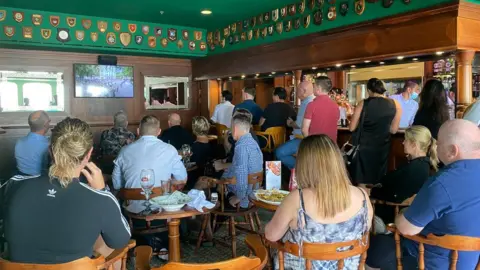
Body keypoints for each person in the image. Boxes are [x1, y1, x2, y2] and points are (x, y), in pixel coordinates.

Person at [4, 117, 131, 264]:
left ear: (51, 150)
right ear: (89, 154)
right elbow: (120, 241)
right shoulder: (102, 200)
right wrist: (102, 191)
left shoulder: (13, 186)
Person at [367, 119, 480, 270]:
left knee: (374, 248)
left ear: (453, 151)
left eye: (439, 143)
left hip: (432, 262)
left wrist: (407, 209)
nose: (436, 146)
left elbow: (406, 228)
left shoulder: (443, 183)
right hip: (472, 263)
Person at [265, 135, 373, 269]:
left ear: (304, 164)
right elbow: (365, 230)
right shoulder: (362, 195)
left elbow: (271, 235)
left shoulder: (297, 199)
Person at [370, 125, 438, 223]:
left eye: (405, 140)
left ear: (414, 144)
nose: (403, 143)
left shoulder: (414, 169)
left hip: (391, 216)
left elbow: (396, 197)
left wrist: (374, 191)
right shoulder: (424, 165)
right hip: (398, 211)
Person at [197, 113, 263, 209]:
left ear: (235, 128)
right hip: (252, 192)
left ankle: (199, 217)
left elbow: (242, 174)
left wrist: (239, 197)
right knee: (217, 177)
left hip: (242, 198)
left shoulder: (241, 147)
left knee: (201, 181)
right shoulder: (253, 143)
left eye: (231, 127)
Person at [349, 78, 401, 186]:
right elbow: (394, 130)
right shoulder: (395, 104)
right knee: (378, 180)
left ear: (369, 90)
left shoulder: (363, 103)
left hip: (364, 147)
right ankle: (374, 201)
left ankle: (364, 201)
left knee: (362, 181)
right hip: (382, 147)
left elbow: (352, 128)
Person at [113, 115, 187, 190]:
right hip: (163, 200)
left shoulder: (124, 151)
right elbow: (182, 179)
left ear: (138, 131)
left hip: (131, 201)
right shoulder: (170, 150)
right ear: (159, 132)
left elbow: (117, 185)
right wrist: (169, 182)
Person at [274, 81, 314, 170]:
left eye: (298, 90)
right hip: (308, 139)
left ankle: (300, 170)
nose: (296, 93)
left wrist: (290, 123)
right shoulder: (311, 101)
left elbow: (299, 125)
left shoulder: (307, 103)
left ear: (304, 91)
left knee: (279, 152)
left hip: (303, 139)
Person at [302, 76, 340, 141]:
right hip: (331, 146)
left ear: (318, 88)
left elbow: (304, 130)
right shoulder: (336, 106)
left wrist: (310, 144)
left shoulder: (312, 105)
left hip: (316, 146)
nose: (313, 89)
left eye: (314, 86)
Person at [14, 110, 51, 176]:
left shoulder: (19, 142)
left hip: (20, 179)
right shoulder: (47, 146)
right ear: (45, 125)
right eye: (49, 121)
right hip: (38, 181)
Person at [186, 116, 213, 189]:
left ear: (194, 129)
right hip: (211, 179)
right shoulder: (214, 144)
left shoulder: (195, 147)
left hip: (196, 182)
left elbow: (195, 166)